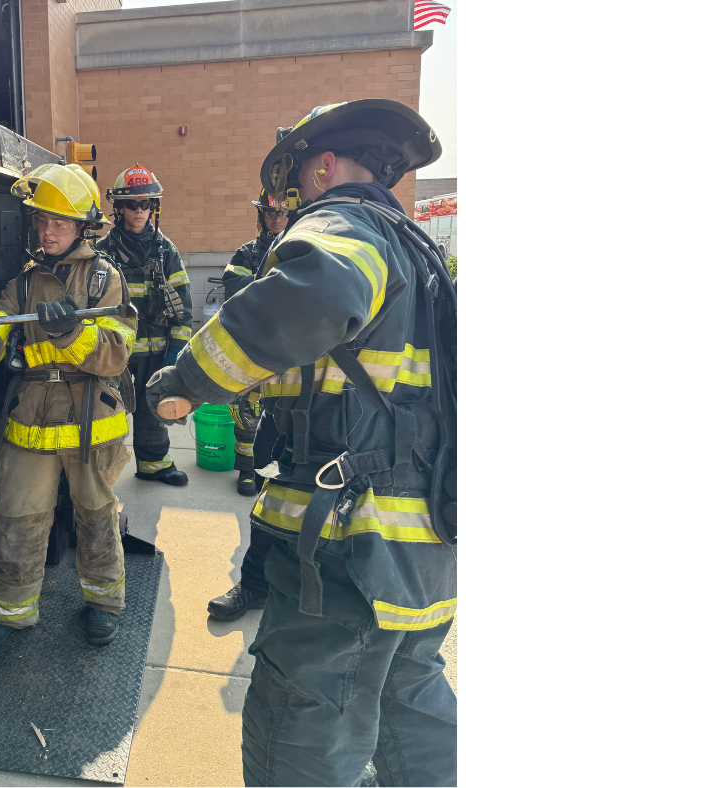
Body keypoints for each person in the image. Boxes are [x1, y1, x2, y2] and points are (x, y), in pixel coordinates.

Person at [147, 99, 458, 786]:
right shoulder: (419, 252)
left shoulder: (341, 223)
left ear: (320, 168)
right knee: (412, 714)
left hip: (347, 553)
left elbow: (311, 296)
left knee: (300, 735)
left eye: (291, 193)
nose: (288, 210)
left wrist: (188, 379)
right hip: (421, 549)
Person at [0, 163, 137, 649]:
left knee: (95, 515)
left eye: (60, 222)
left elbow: (116, 353)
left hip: (92, 420)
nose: (48, 231)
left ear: (83, 227)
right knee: (18, 515)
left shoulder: (105, 279)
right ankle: (12, 611)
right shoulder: (21, 285)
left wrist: (71, 332)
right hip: (31, 418)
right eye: (42, 221)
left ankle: (105, 604)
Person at [96, 164, 193, 487]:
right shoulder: (102, 253)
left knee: (153, 412)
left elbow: (183, 310)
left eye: (146, 204)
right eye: (131, 204)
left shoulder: (167, 252)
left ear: (154, 207)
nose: (139, 211)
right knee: (106, 414)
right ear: (118, 207)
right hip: (114, 357)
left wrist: (175, 355)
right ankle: (98, 477)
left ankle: (154, 466)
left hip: (156, 354)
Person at [222, 189, 288, 496]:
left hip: (289, 349)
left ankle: (278, 469)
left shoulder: (300, 252)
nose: (277, 219)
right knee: (246, 414)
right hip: (251, 349)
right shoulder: (245, 254)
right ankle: (247, 471)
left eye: (283, 213)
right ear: (261, 214)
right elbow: (237, 292)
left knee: (284, 411)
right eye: (271, 212)